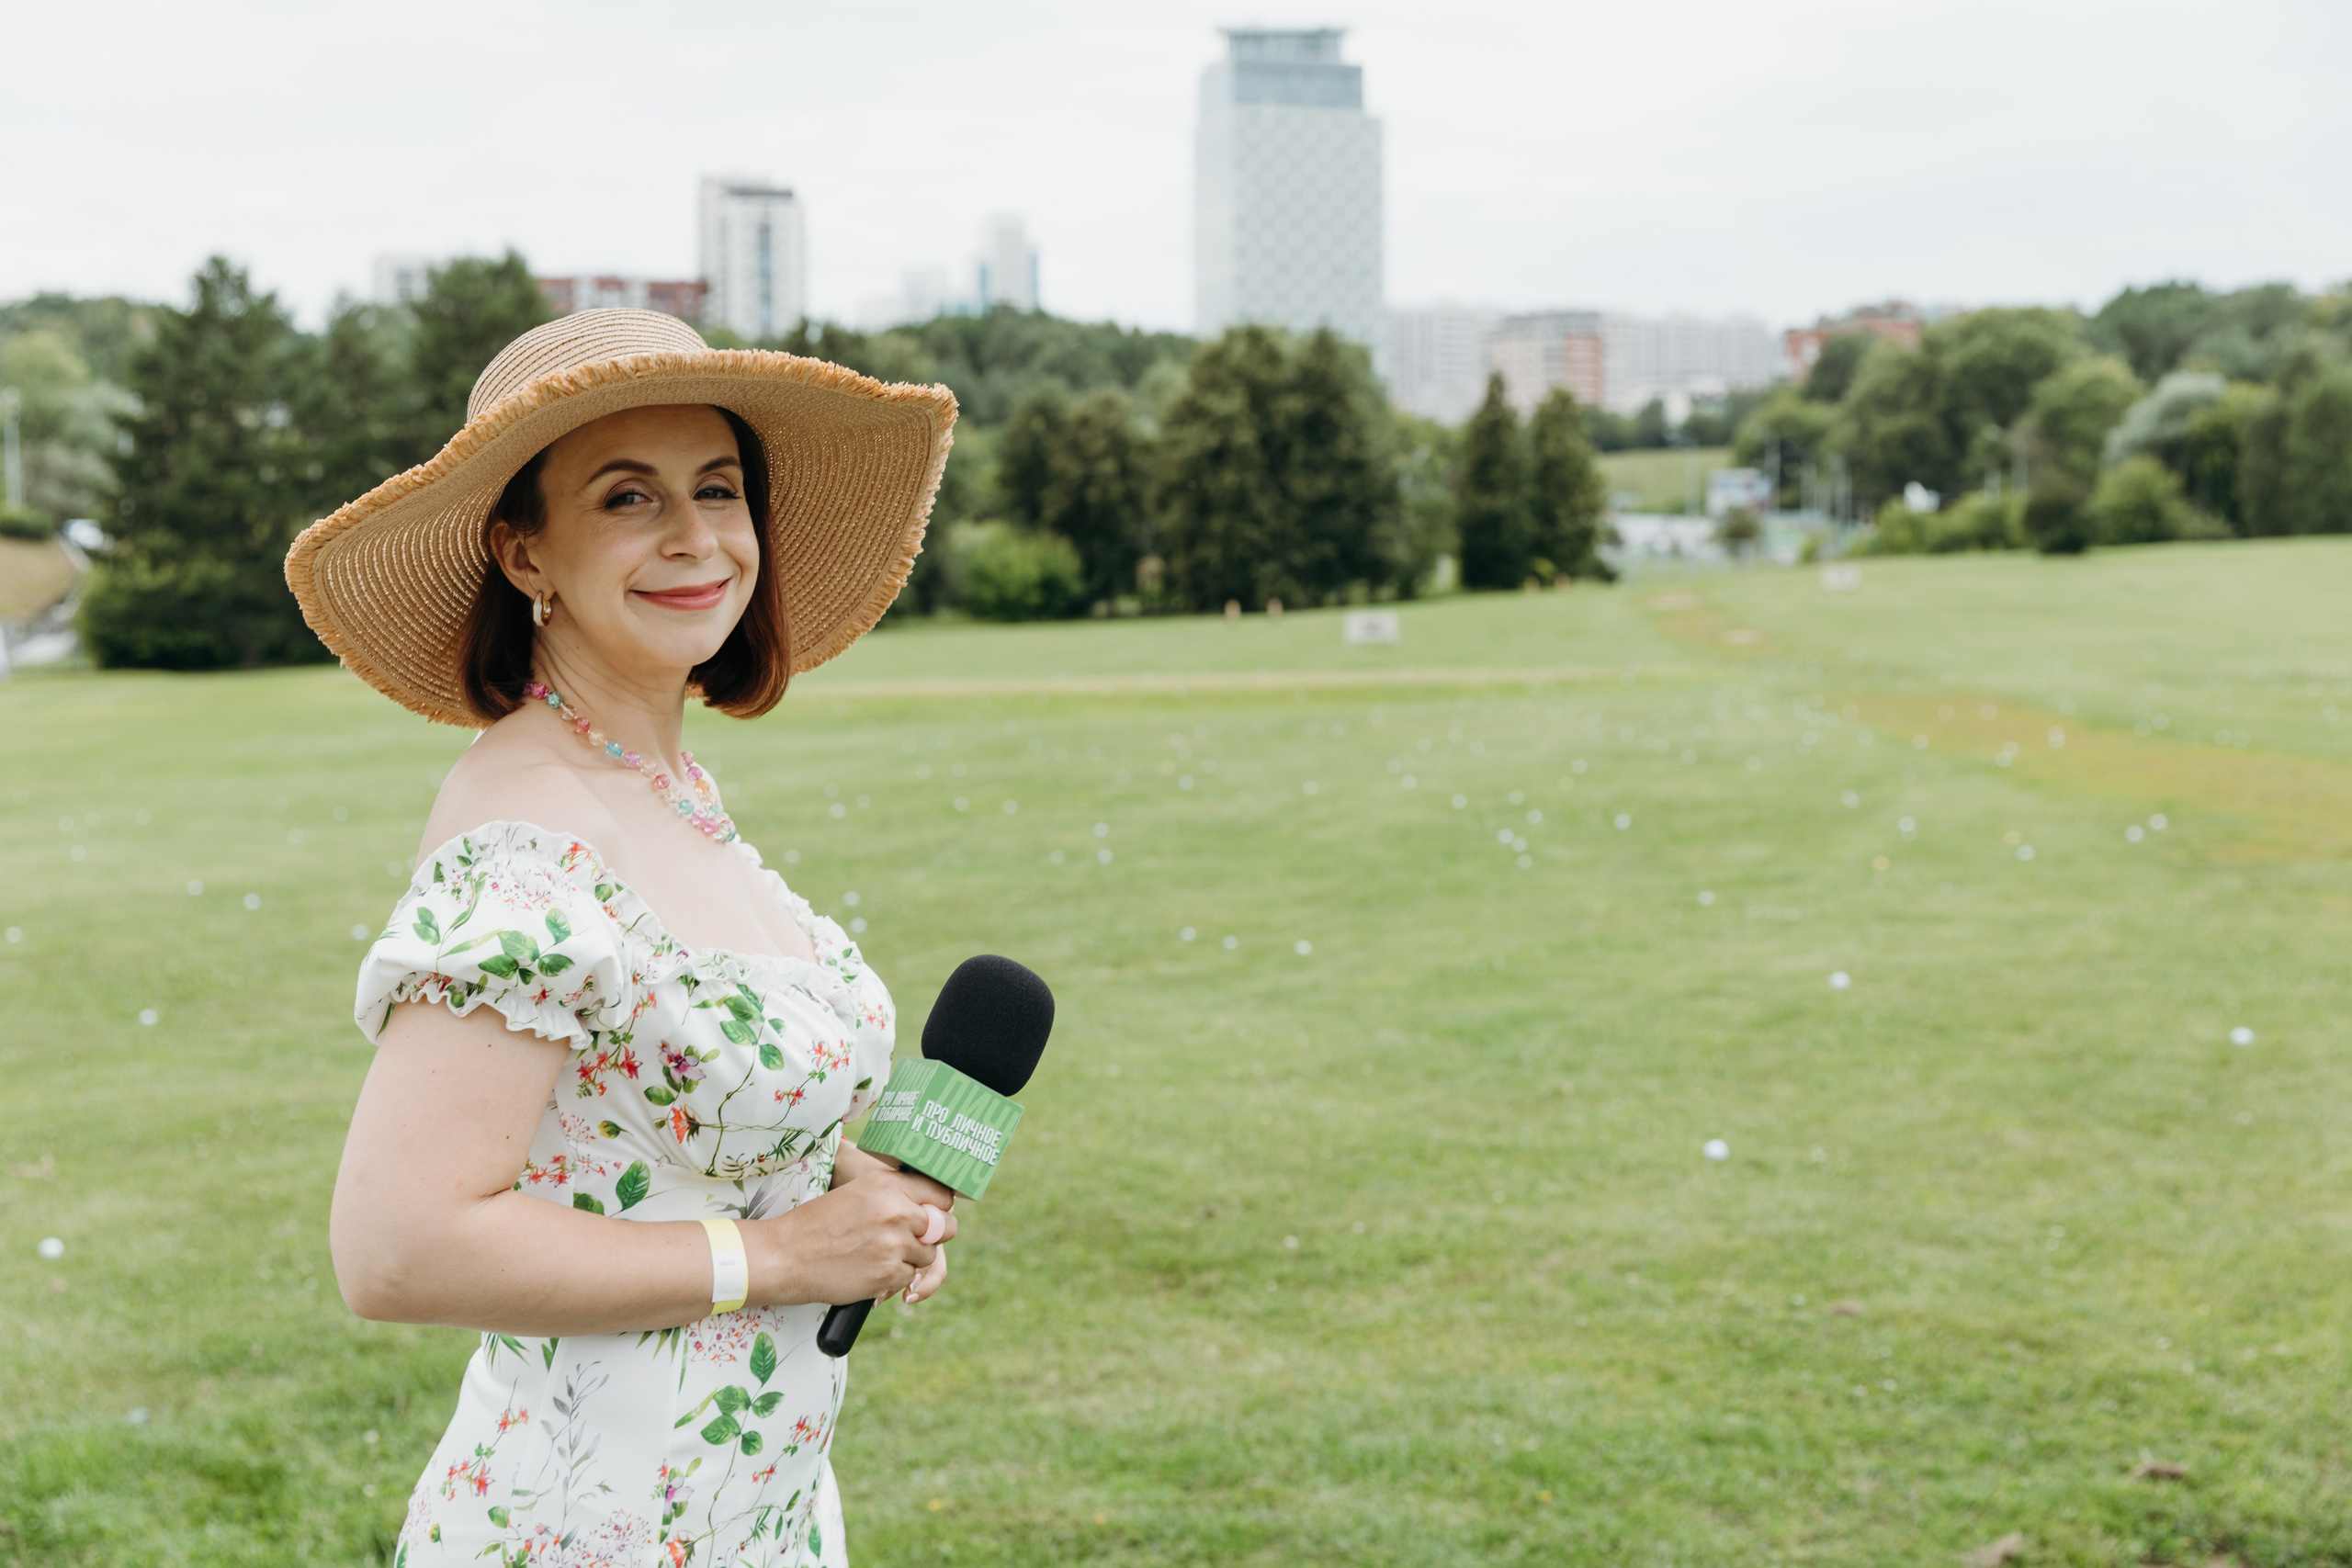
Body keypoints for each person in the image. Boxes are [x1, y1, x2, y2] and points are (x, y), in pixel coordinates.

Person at [287, 310, 961, 1565]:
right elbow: (396, 1247)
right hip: (578, 1529)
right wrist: (774, 1254)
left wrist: (833, 1184)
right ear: (525, 553)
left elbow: (636, 1127)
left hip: (752, 1519)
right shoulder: (525, 834)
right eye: (626, 498)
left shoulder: (665, 792)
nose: (696, 537)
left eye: (717, 489)